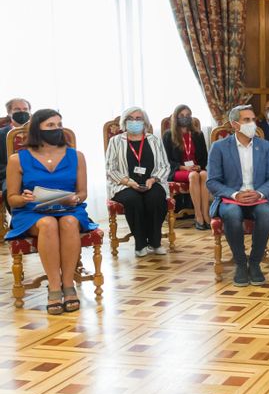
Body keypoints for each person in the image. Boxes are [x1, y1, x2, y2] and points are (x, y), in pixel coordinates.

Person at [5, 109, 97, 314]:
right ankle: (54, 288)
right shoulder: (17, 160)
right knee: (48, 223)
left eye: (59, 124)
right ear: (37, 128)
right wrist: (24, 198)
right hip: (32, 213)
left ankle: (68, 285)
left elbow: (82, 193)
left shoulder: (77, 156)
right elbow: (12, 199)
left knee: (68, 222)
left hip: (69, 209)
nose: (56, 129)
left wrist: (76, 198)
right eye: (50, 126)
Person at [207, 105, 269, 287]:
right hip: (231, 198)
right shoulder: (219, 147)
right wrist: (235, 194)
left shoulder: (265, 147)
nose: (252, 123)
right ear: (235, 125)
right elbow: (212, 182)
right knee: (232, 213)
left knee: (265, 212)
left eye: (253, 119)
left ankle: (255, 263)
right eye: (246, 120)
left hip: (259, 197)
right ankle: (241, 264)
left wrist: (260, 193)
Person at [105, 107, 170, 257]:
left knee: (155, 198)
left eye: (139, 118)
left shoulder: (154, 140)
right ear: (125, 122)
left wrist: (153, 179)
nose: (134, 121)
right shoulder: (115, 141)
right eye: (131, 118)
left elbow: (164, 165)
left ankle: (155, 242)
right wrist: (128, 182)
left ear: (145, 122)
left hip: (152, 182)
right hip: (124, 184)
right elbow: (110, 168)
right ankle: (140, 244)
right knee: (133, 200)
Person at [163, 104, 210, 229]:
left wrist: (199, 166)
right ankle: (198, 216)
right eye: (182, 115)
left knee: (204, 174)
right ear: (176, 117)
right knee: (194, 176)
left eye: (188, 115)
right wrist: (183, 167)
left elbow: (204, 157)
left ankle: (206, 214)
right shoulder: (169, 135)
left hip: (195, 169)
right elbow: (166, 160)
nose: (185, 118)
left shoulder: (198, 134)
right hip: (178, 170)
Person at [0, 98, 32, 191]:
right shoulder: (1, 134)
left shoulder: (39, 132)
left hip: (36, 172)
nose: (22, 112)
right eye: (17, 109)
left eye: (25, 109)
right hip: (8, 175)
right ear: (9, 113)